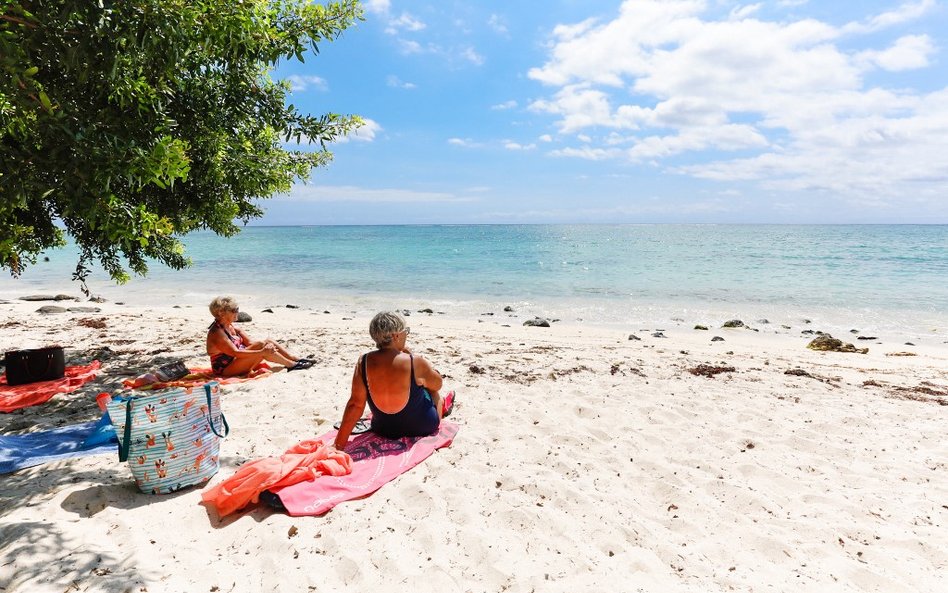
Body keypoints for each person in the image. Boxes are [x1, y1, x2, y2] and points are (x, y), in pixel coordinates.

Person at [332, 311, 453, 450]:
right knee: (431, 390)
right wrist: (416, 361)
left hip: (384, 429)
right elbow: (438, 384)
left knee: (419, 381)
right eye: (405, 331)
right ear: (396, 336)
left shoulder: (363, 362)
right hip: (422, 427)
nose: (406, 335)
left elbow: (355, 405)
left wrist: (338, 444)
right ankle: (442, 404)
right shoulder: (415, 362)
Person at [206, 296, 313, 376]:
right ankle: (291, 365)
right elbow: (235, 352)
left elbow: (251, 344)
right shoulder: (217, 333)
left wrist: (266, 347)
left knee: (267, 341)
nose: (237, 312)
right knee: (261, 345)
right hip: (225, 370)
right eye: (234, 310)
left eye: (237, 309)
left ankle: (295, 359)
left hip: (237, 363)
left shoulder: (232, 328)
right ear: (221, 313)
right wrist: (262, 352)